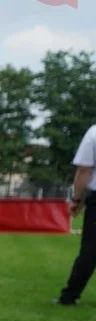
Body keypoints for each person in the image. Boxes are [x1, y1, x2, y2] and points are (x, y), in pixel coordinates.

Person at [55, 123, 96, 305]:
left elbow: (84, 170)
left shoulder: (94, 133)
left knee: (90, 250)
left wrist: (77, 200)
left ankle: (70, 295)